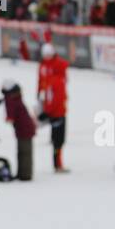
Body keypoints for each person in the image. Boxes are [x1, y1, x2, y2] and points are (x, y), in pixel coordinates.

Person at [37, 43, 70, 173]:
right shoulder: (56, 81)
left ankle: (58, 163)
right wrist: (48, 111)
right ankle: (57, 164)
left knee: (58, 140)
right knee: (59, 140)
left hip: (56, 111)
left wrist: (47, 111)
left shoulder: (54, 80)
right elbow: (56, 98)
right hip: (57, 112)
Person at [2, 79, 37, 181]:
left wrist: (9, 118)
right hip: (24, 129)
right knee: (23, 151)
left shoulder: (11, 100)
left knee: (24, 152)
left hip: (24, 129)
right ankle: (23, 173)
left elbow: (10, 116)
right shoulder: (16, 98)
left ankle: (25, 174)